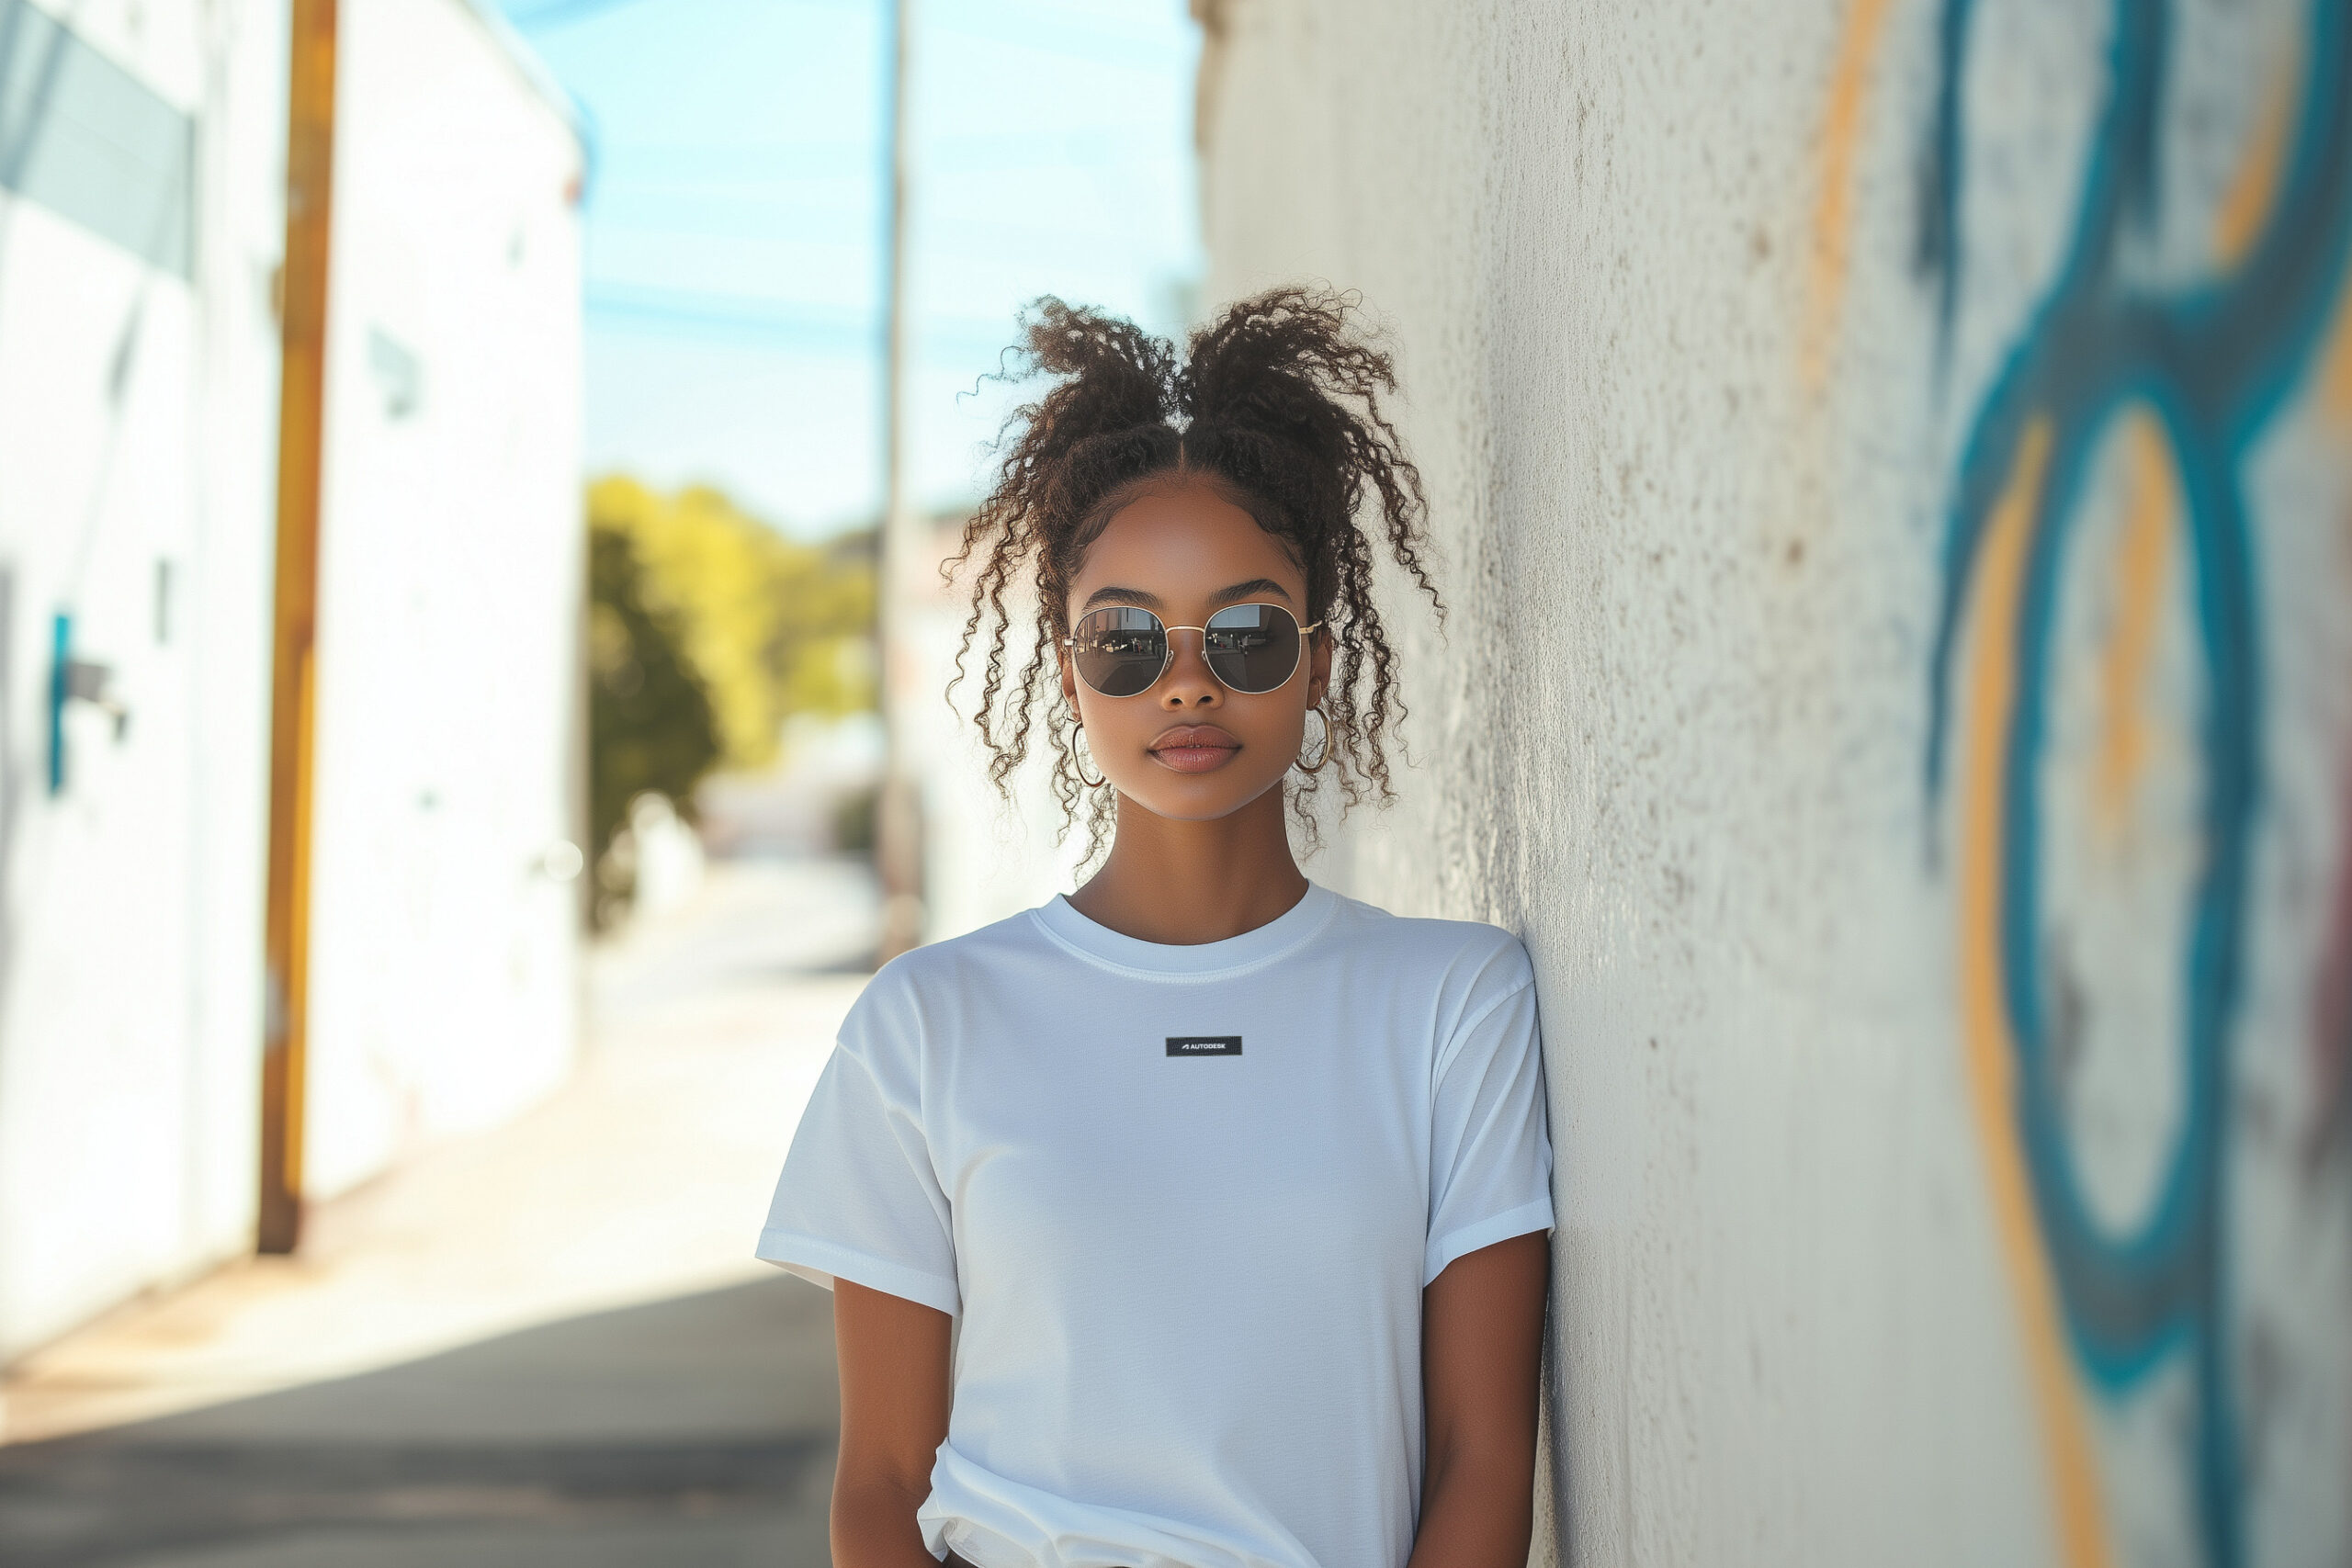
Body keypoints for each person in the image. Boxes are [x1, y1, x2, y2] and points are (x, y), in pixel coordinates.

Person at [756, 288, 1554, 1568]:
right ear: (1070, 667)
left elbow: (1483, 1458)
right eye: (1127, 637)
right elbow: (882, 1486)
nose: (1186, 679)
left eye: (1244, 633)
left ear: (1319, 661)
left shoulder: (1453, 1005)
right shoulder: (927, 1023)